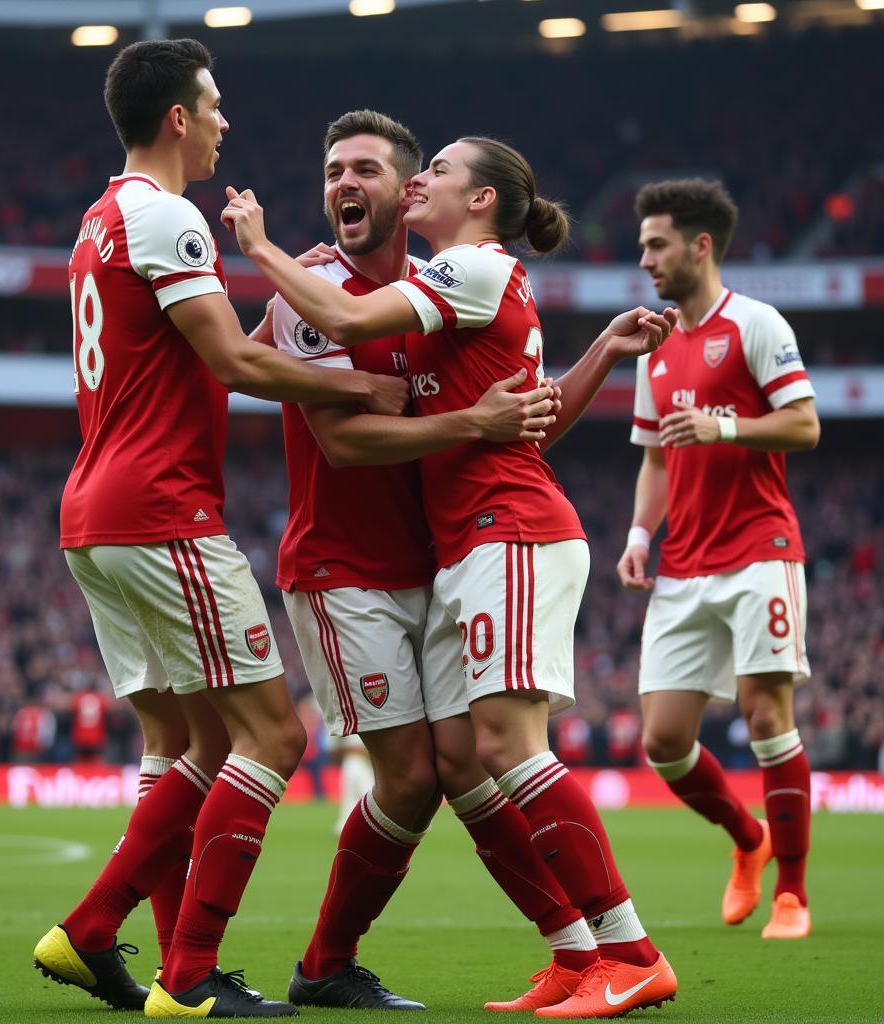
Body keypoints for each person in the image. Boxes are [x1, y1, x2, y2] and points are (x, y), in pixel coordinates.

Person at [224, 136, 679, 1019]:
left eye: (435, 169)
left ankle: (628, 952)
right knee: (468, 759)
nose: (423, 178)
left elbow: (362, 331)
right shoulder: (456, 288)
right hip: (466, 540)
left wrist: (260, 249)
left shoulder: (467, 270)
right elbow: (525, 422)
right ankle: (577, 954)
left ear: (475, 202)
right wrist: (600, 358)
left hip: (503, 531)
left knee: (507, 748)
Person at [32, 39, 409, 1019]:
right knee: (271, 733)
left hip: (96, 512)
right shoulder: (168, 217)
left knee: (189, 740)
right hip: (161, 510)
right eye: (214, 106)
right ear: (177, 120)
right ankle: (157, 957)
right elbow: (236, 362)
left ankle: (161, 963)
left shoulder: (98, 219)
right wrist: (357, 381)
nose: (225, 123)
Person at [618, 178, 819, 940]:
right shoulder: (657, 346)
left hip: (760, 549)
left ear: (701, 246)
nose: (645, 260)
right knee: (663, 742)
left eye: (657, 245)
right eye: (642, 247)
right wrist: (640, 537)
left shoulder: (757, 325)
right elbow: (657, 459)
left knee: (769, 713)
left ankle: (793, 894)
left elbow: (803, 427)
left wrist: (726, 429)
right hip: (684, 562)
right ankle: (749, 839)